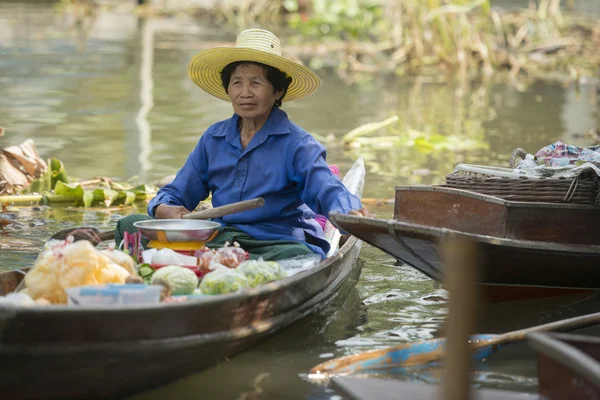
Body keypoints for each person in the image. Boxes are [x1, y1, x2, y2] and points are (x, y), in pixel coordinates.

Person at [117, 29, 371, 261]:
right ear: (228, 89)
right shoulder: (213, 139)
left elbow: (326, 189)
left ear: (277, 92)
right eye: (237, 82)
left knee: (299, 258)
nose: (245, 93)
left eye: (256, 83)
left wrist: (349, 213)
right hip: (224, 238)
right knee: (129, 224)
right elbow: (177, 192)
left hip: (277, 243)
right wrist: (163, 209)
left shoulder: (298, 145)